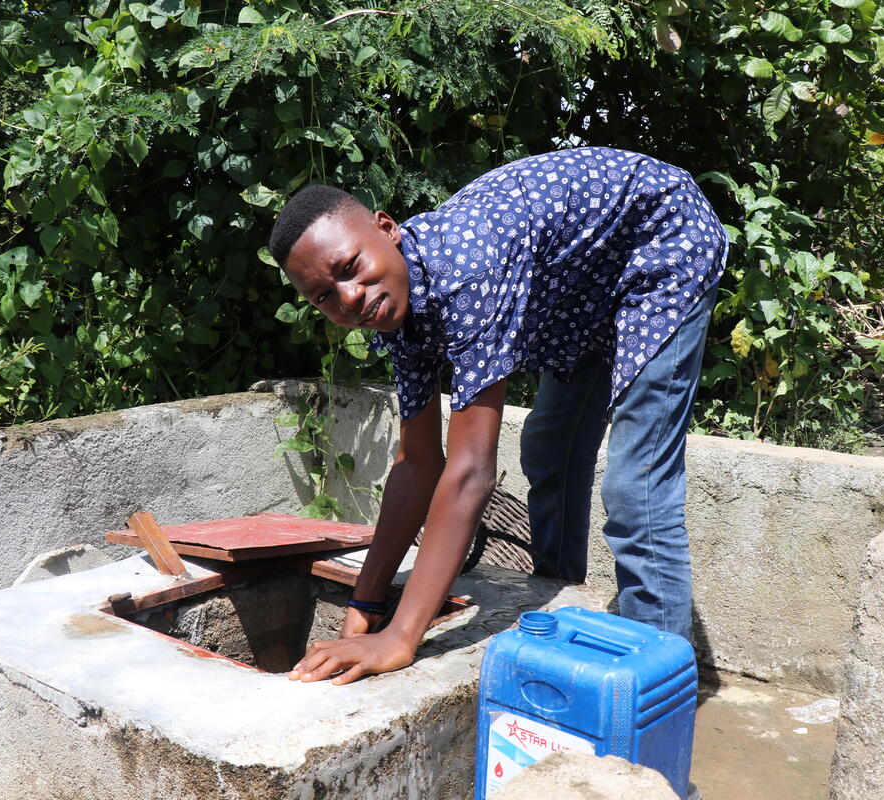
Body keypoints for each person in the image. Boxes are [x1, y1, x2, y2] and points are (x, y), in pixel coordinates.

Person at [269, 147, 727, 685]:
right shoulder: (401, 307)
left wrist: (400, 638)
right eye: (325, 296)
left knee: (636, 489)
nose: (350, 298)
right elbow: (418, 463)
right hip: (582, 288)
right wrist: (366, 600)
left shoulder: (465, 268)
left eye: (351, 269)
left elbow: (470, 474)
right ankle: (558, 607)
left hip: (660, 239)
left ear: (387, 228)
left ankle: (659, 688)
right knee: (548, 452)